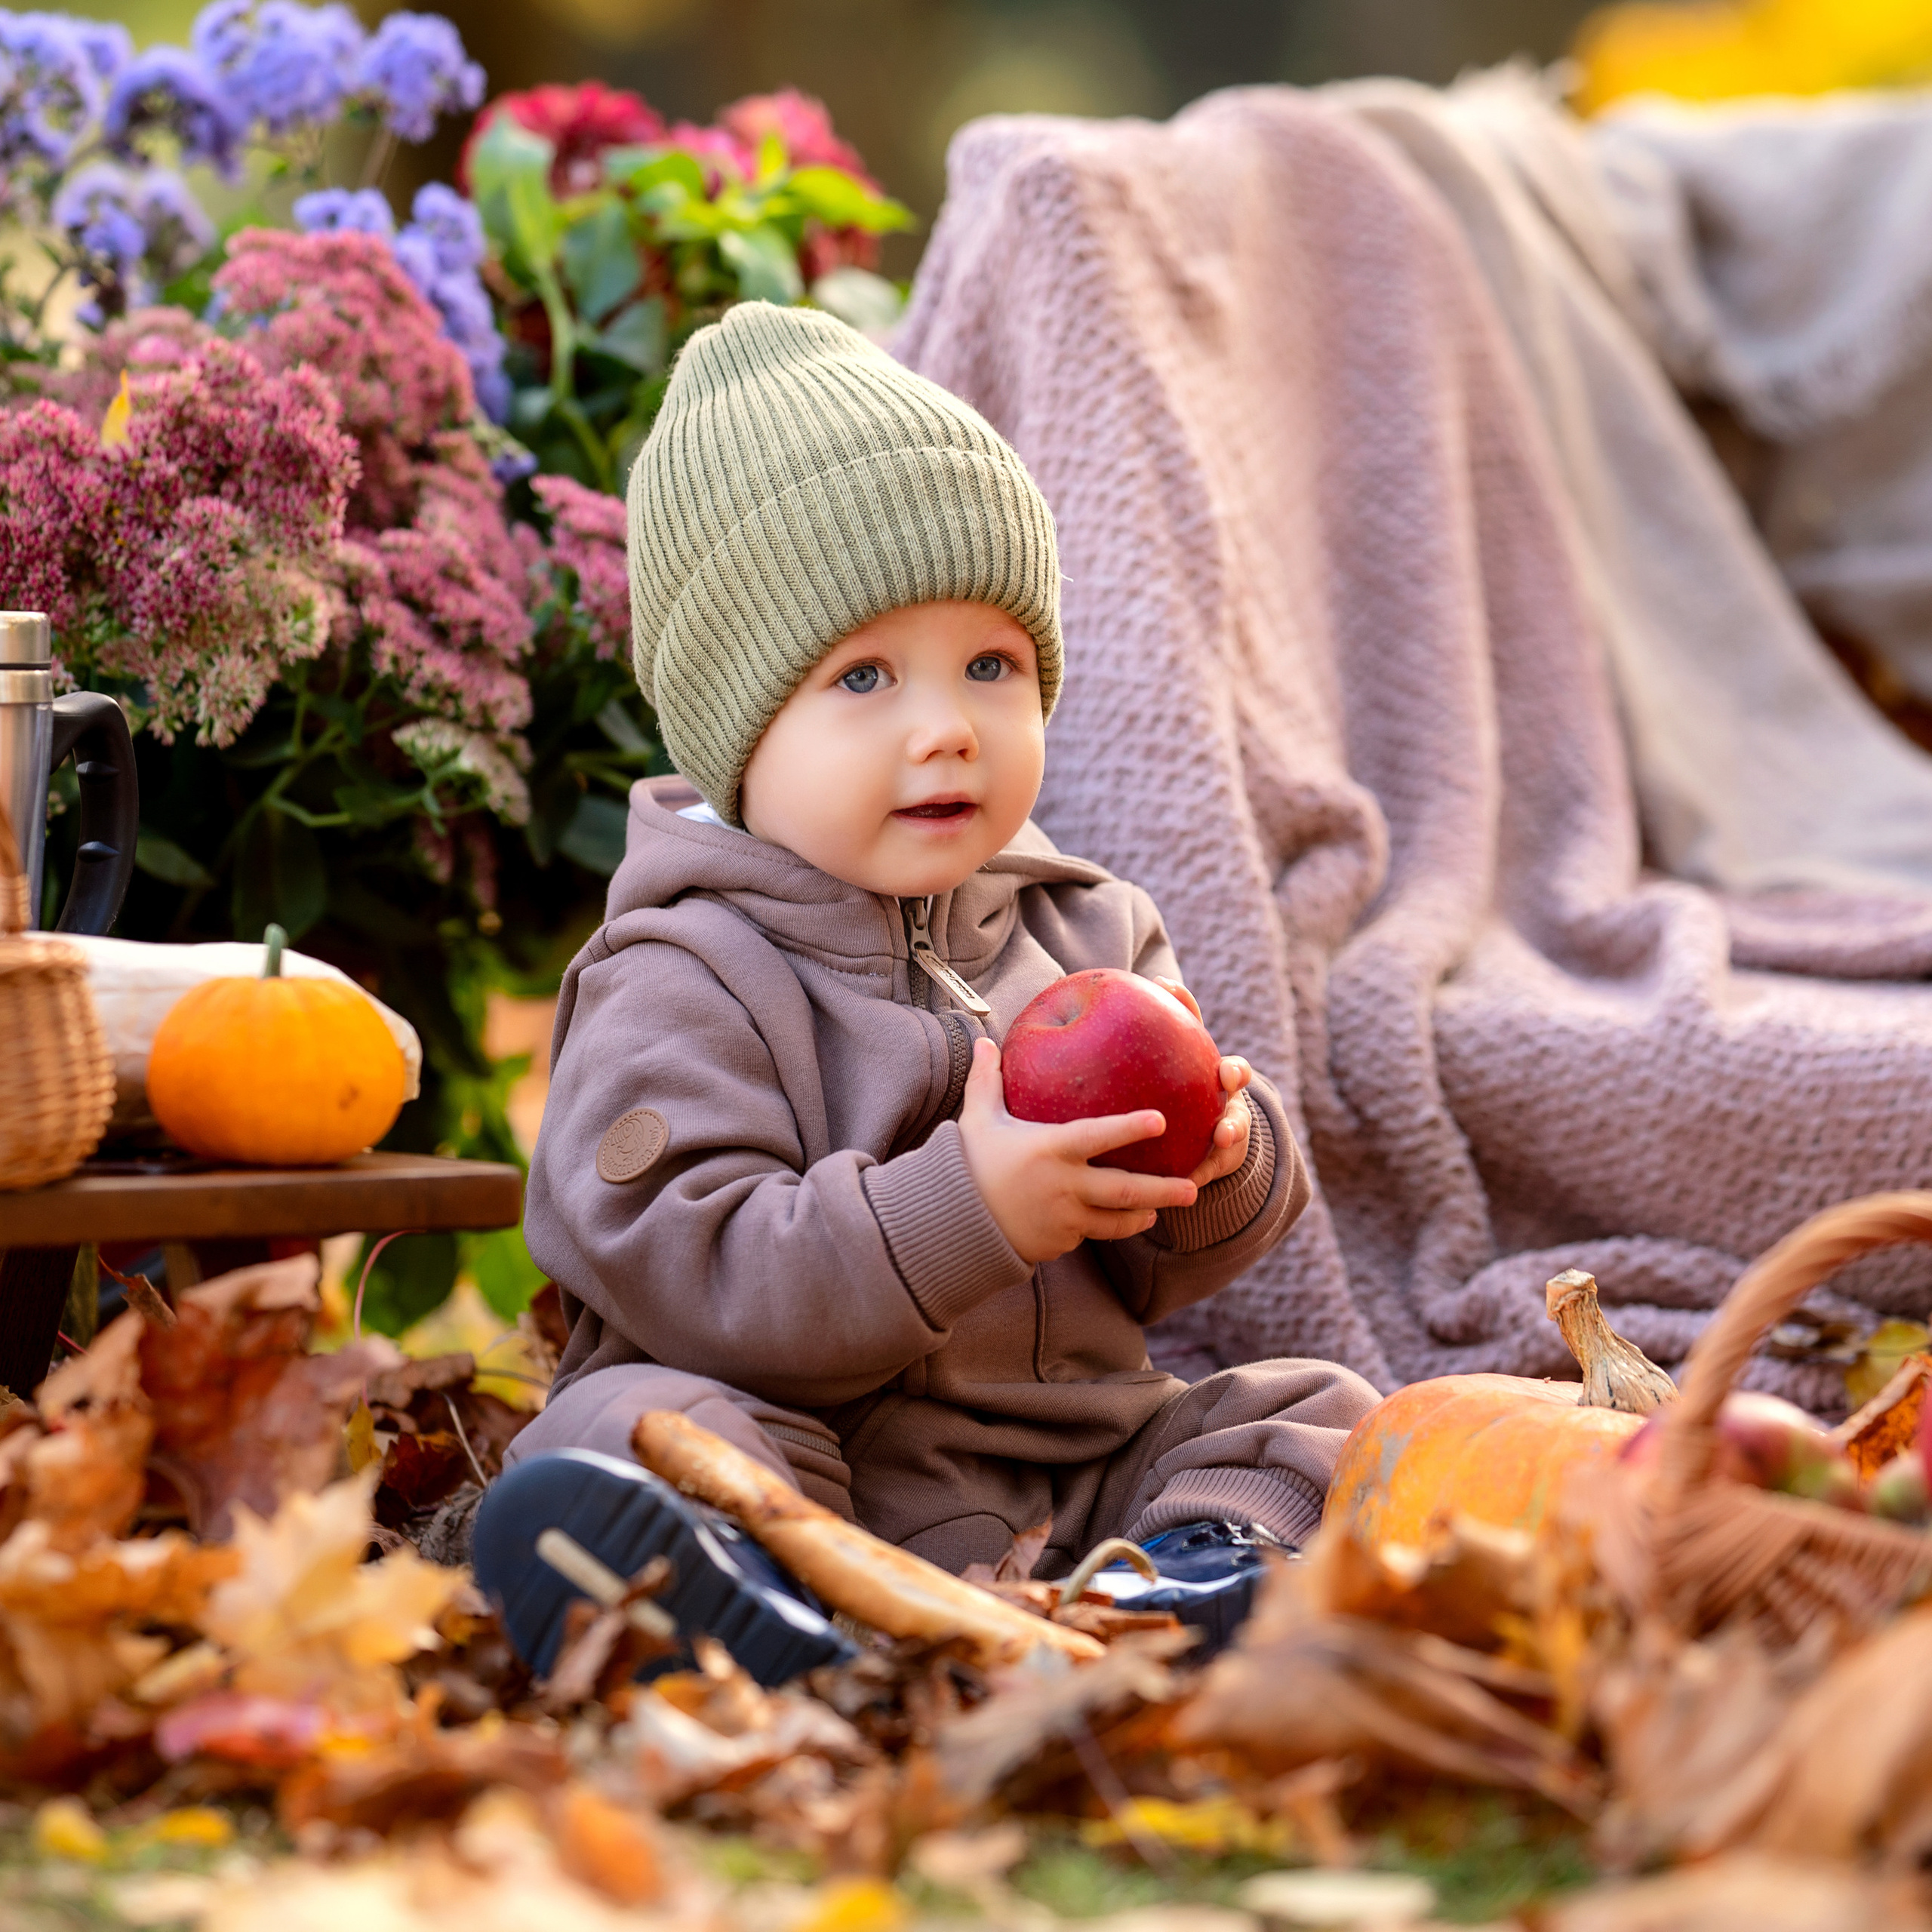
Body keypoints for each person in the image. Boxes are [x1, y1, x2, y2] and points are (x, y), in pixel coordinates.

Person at [473, 302, 1379, 1684]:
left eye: (991, 666)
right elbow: (695, 1271)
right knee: (632, 1425)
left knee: (1316, 1411)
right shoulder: (681, 968)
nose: (945, 722)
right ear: (739, 733)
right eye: (865, 676)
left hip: (1063, 1470)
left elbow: (1156, 1257)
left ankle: (1183, 1584)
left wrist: (1218, 1161)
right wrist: (974, 1208)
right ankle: (752, 1604)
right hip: (806, 1463)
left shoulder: (1088, 926)